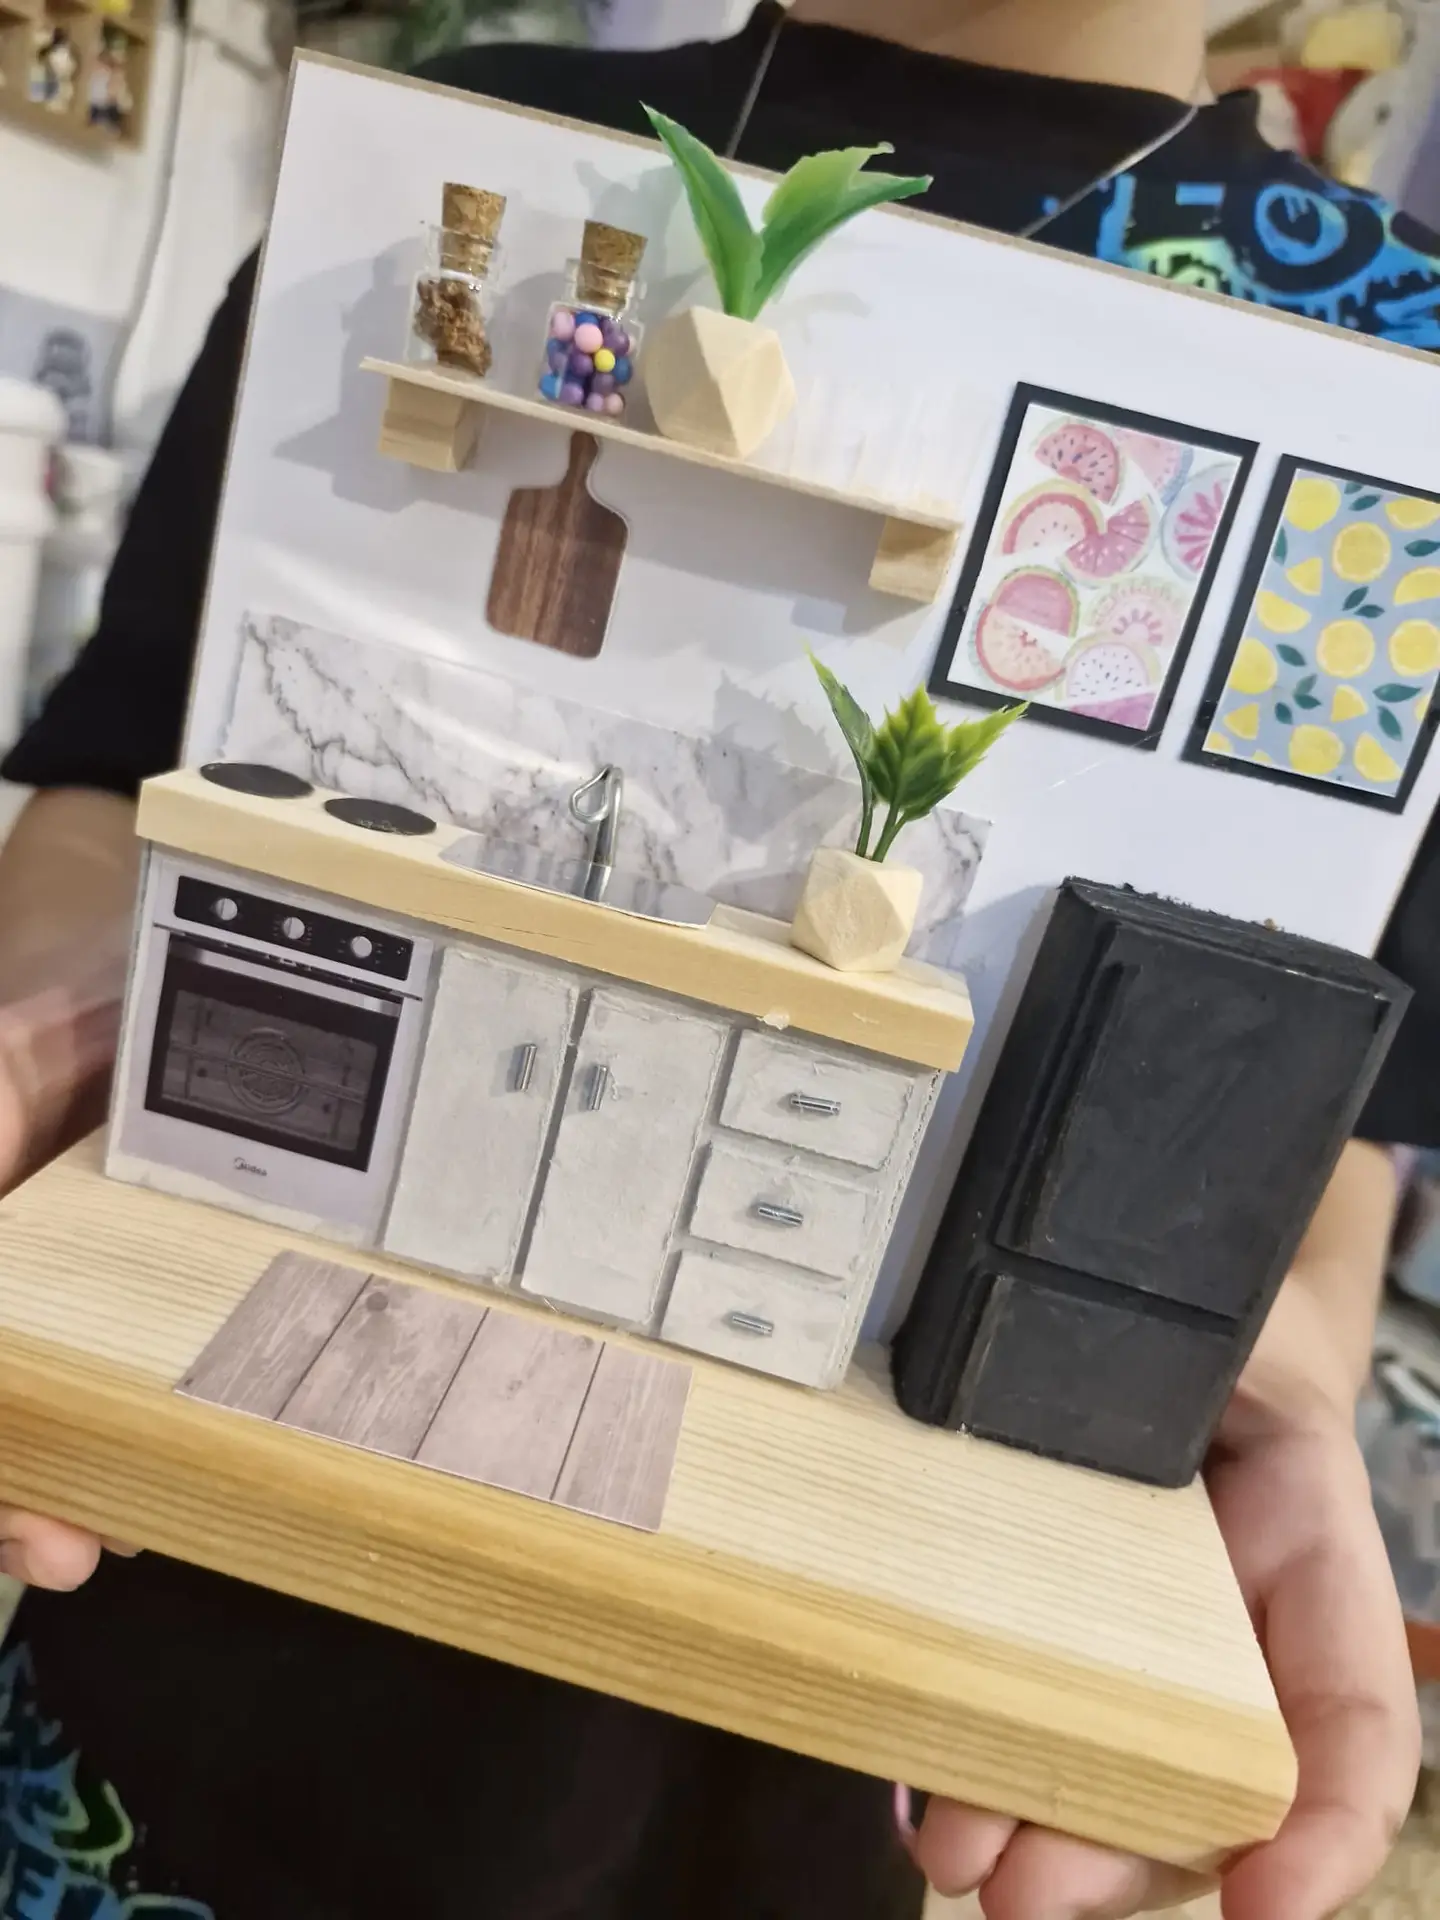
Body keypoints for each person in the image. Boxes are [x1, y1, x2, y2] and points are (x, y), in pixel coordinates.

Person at [1, 2, 1436, 1913]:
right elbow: (111, 789)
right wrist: (53, 1041)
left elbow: (1341, 1116)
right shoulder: (454, 152)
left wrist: (1269, 1386)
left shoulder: (1402, 346)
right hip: (158, 1661)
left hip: (778, 1777)